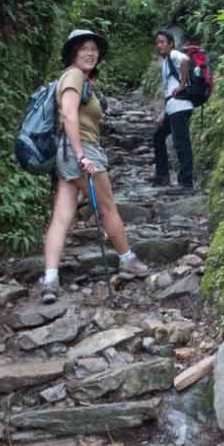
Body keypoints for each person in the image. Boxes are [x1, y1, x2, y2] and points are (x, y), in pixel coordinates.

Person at [40, 28, 148, 303]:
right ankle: (127, 259)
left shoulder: (79, 79)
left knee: (62, 217)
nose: (90, 53)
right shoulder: (74, 76)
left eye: (94, 49)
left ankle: (50, 280)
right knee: (108, 207)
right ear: (73, 53)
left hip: (68, 153)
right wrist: (81, 155)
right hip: (81, 150)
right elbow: (68, 114)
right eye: (84, 49)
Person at [153, 29, 194, 191]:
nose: (159, 45)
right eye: (157, 43)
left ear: (171, 44)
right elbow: (168, 90)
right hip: (173, 107)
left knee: (181, 142)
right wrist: (164, 112)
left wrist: (182, 85)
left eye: (163, 42)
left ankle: (186, 181)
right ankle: (162, 175)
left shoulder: (175, 54)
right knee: (158, 137)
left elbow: (185, 60)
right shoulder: (166, 62)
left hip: (180, 106)